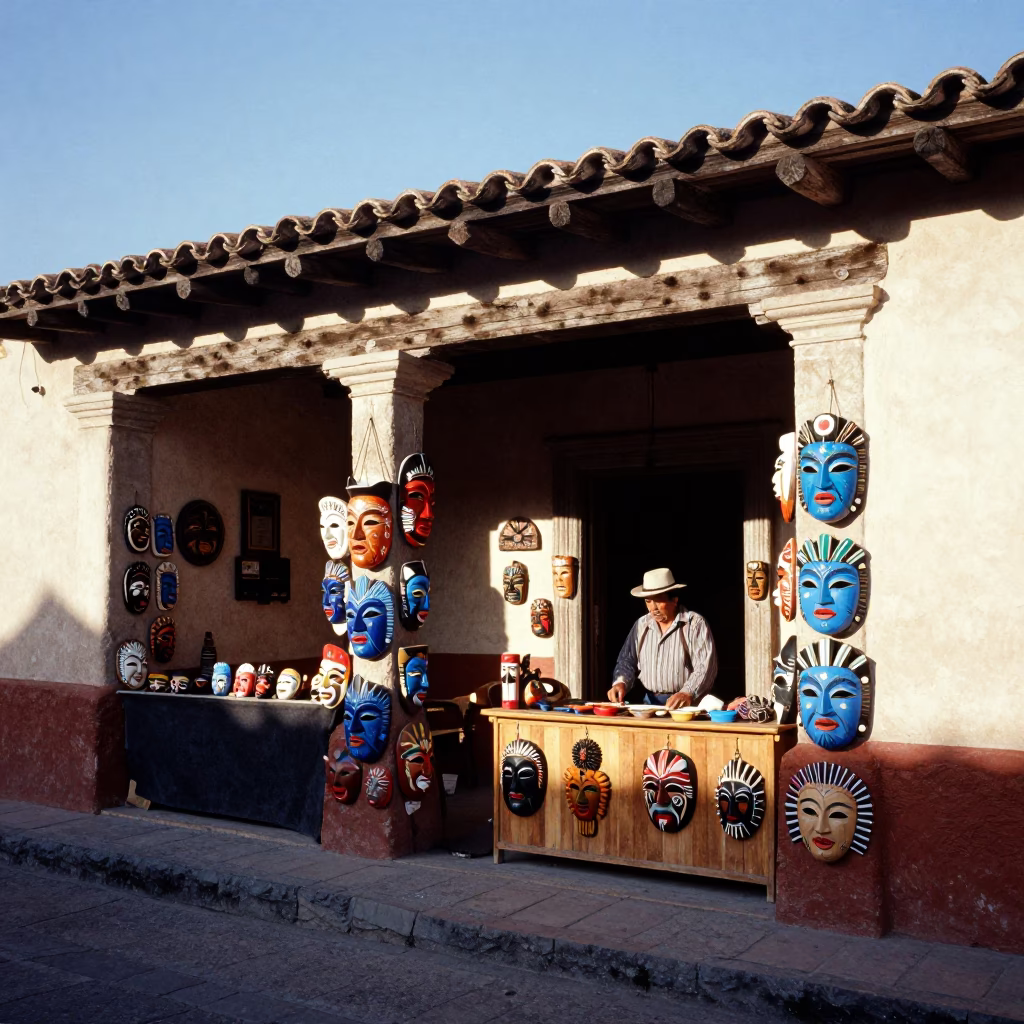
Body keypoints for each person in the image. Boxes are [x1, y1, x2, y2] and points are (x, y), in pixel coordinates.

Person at [608, 568, 718, 709]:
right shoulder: (641, 625)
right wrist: (620, 682)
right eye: (648, 601)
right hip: (649, 704)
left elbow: (705, 667)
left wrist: (687, 692)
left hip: (685, 706)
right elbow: (627, 660)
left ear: (674, 600)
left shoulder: (694, 624)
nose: (653, 608)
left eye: (659, 601)